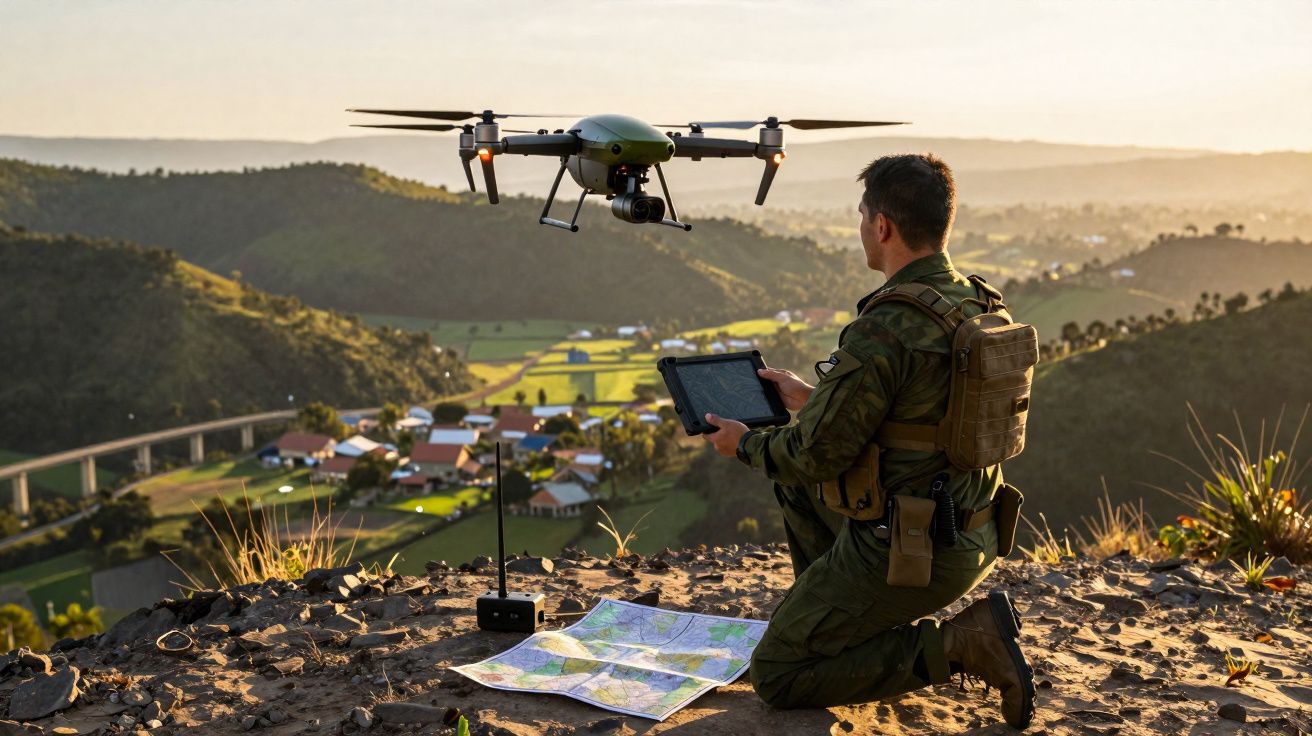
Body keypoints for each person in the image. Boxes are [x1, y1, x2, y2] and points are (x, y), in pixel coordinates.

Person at [702, 154, 1035, 729]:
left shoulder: (885, 326)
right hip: (975, 532)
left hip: (911, 552)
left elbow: (812, 454)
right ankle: (833, 623)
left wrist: (744, 445)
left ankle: (961, 643)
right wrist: (813, 398)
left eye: (862, 216)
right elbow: (923, 417)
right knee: (803, 494)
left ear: (882, 226)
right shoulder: (978, 303)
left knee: (778, 674)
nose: (861, 228)